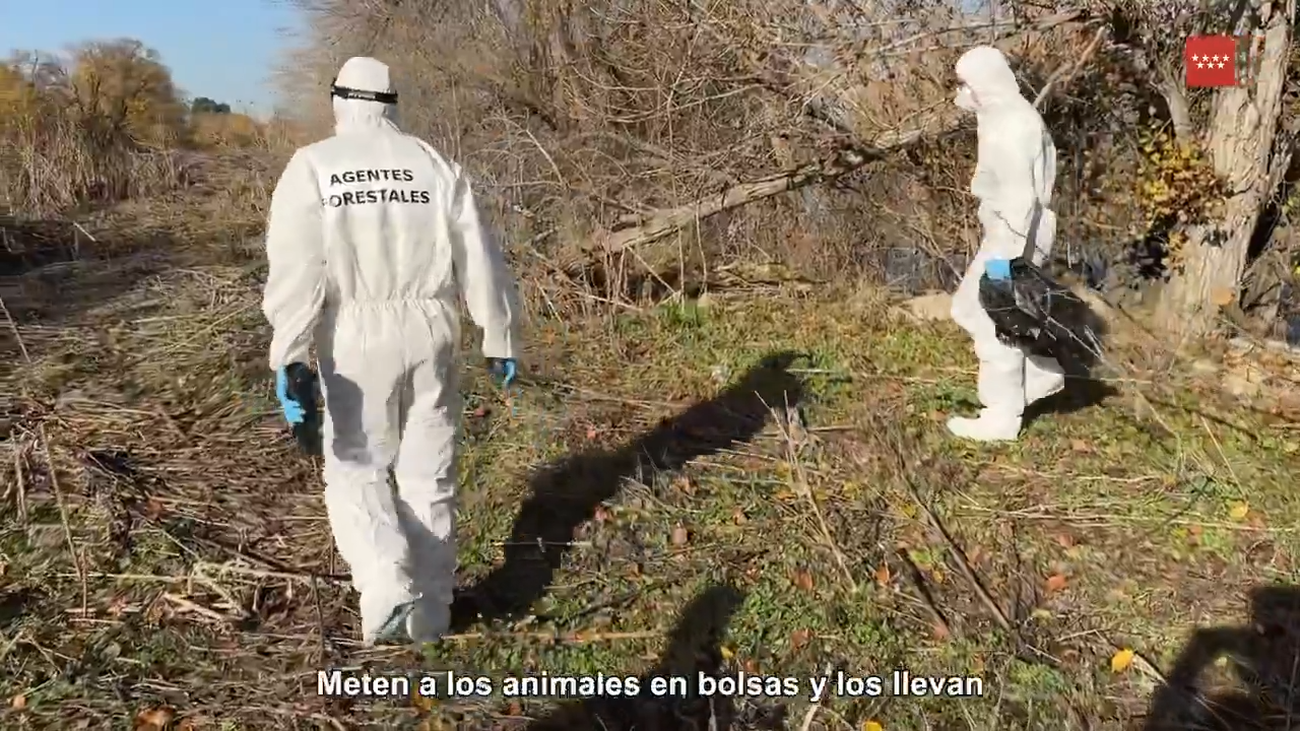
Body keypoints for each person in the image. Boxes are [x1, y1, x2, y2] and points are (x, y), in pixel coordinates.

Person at [261, 56, 522, 645]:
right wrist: (498, 333)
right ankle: (432, 613)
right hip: (433, 330)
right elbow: (479, 256)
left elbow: (297, 272)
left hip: (356, 338)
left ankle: (386, 584)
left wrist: (291, 354)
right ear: (391, 102)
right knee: (430, 475)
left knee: (356, 468)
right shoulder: (432, 163)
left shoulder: (315, 167)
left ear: (339, 102)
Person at [947, 46, 1064, 442]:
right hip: (1010, 232)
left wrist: (1004, 266)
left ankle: (1002, 414)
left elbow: (1020, 201)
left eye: (967, 84)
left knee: (994, 316)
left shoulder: (1015, 125)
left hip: (1016, 236)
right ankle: (1039, 374)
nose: (962, 93)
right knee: (968, 307)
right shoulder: (1001, 117)